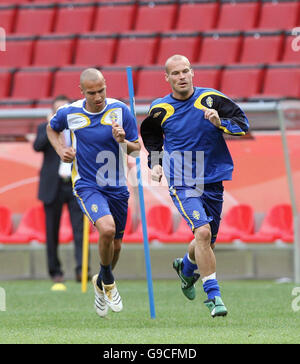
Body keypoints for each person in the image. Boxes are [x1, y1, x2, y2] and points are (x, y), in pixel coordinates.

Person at [140, 55, 249, 318]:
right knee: (202, 232)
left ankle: (187, 268)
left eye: (185, 71)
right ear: (167, 78)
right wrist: (155, 163)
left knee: (206, 240)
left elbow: (243, 126)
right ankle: (214, 297)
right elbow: (152, 136)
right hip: (182, 180)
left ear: (193, 73)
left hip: (212, 177)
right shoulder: (160, 109)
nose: (181, 76)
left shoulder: (211, 99)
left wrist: (219, 122)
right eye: (175, 73)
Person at [46, 68, 141, 317]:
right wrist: (60, 150)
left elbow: (136, 150)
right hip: (87, 184)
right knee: (107, 229)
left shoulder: (120, 111)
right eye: (92, 92)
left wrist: (123, 141)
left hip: (118, 185)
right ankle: (108, 281)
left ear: (105, 86)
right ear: (82, 91)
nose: (98, 96)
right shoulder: (71, 112)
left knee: (117, 244)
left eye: (101, 90)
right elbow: (51, 128)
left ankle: (101, 280)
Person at [33, 95, 85, 284]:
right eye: (58, 110)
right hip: (52, 186)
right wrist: (51, 128)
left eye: (65, 109)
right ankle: (55, 271)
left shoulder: (79, 128)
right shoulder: (44, 128)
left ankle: (82, 269)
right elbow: (37, 146)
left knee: (79, 230)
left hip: (75, 184)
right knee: (51, 231)